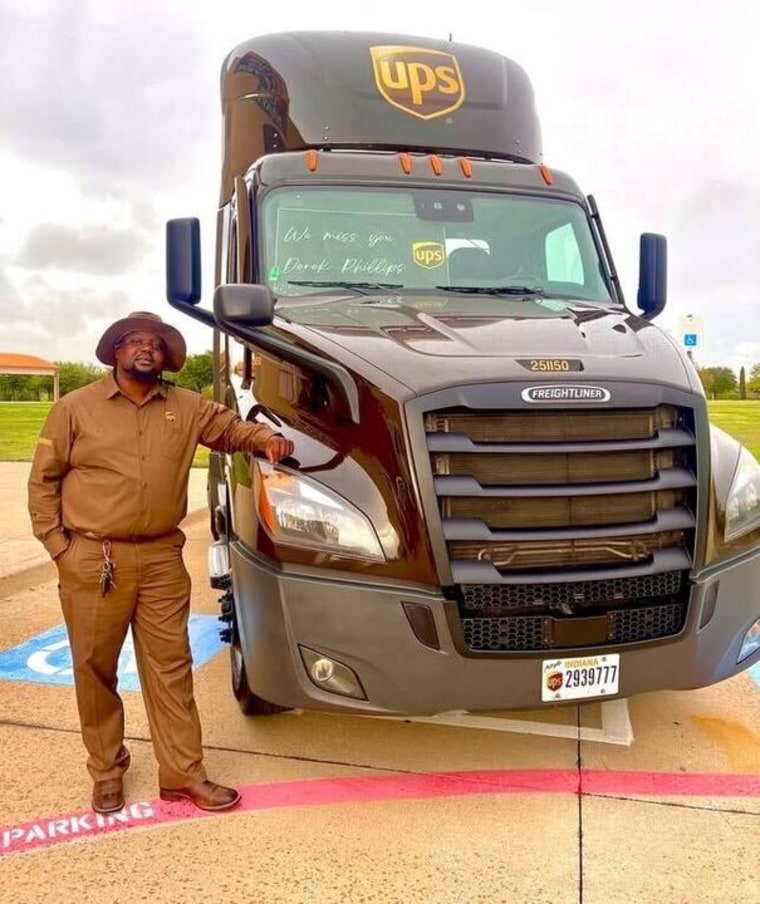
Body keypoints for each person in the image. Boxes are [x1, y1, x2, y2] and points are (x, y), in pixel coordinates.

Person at [27, 311, 294, 815]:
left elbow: (232, 429)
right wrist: (59, 547)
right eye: (134, 341)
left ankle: (183, 775)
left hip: (160, 560)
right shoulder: (74, 409)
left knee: (171, 667)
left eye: (154, 343)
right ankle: (107, 769)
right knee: (95, 667)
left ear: (166, 357)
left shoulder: (187, 406)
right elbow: (43, 481)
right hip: (92, 558)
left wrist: (266, 441)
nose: (145, 348)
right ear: (116, 352)